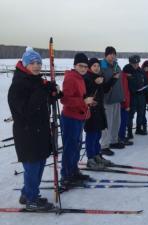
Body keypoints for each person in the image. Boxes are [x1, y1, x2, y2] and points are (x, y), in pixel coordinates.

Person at [8, 47, 60, 211]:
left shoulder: (36, 80)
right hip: (27, 133)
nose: (37, 66)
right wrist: (42, 91)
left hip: (40, 131)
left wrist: (53, 94)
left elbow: (43, 103)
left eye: (38, 62)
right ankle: (31, 199)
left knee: (40, 163)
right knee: (33, 167)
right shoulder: (18, 85)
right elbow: (27, 110)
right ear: (25, 64)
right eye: (32, 63)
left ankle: (27, 193)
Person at [60, 53, 93, 189]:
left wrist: (87, 106)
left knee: (77, 146)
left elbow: (81, 97)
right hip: (70, 118)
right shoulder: (70, 78)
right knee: (70, 148)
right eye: (81, 66)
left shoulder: (81, 78)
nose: (84, 68)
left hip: (79, 117)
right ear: (75, 65)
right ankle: (66, 176)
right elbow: (65, 100)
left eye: (86, 66)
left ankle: (74, 171)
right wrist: (83, 101)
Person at [83, 58, 118, 169]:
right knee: (91, 135)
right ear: (89, 67)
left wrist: (113, 79)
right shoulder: (87, 77)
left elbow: (105, 89)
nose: (96, 68)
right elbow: (86, 92)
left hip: (99, 109)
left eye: (98, 66)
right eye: (94, 66)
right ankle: (90, 159)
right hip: (90, 110)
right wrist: (95, 83)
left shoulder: (98, 77)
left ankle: (97, 155)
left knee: (98, 134)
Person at [100, 46, 124, 155]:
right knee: (107, 124)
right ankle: (104, 145)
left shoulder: (116, 66)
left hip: (117, 98)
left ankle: (114, 141)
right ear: (106, 55)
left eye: (114, 54)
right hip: (107, 100)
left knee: (116, 122)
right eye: (110, 54)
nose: (112, 56)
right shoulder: (102, 66)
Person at [124, 55, 148, 137]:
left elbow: (146, 82)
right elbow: (124, 84)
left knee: (141, 113)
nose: (136, 65)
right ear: (130, 63)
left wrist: (146, 89)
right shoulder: (126, 71)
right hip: (131, 96)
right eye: (134, 63)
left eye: (137, 63)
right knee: (130, 115)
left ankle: (138, 129)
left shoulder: (141, 71)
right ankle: (129, 132)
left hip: (141, 96)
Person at [118, 67, 133, 145]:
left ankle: (120, 136)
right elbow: (125, 93)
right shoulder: (123, 78)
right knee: (122, 122)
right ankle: (121, 137)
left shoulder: (124, 77)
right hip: (123, 105)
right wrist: (127, 105)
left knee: (121, 122)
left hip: (121, 104)